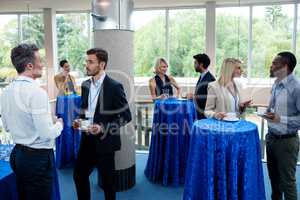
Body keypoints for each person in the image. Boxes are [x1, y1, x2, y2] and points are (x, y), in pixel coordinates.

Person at [0, 43, 63, 200]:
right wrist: (59, 124)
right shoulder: (37, 93)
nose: (42, 65)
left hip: (17, 156)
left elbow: (7, 127)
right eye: (40, 60)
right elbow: (46, 134)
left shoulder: (6, 92)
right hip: (38, 159)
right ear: (29, 65)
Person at [73, 48, 132, 200]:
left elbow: (126, 116)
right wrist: (80, 120)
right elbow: (85, 108)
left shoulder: (114, 86)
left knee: (108, 184)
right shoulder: (85, 85)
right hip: (87, 140)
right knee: (79, 176)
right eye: (86, 61)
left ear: (102, 64)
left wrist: (102, 127)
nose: (86, 65)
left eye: (90, 62)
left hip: (105, 141)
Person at [264, 52, 300, 200]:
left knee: (288, 184)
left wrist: (280, 118)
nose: (271, 66)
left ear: (285, 67)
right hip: (271, 138)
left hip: (287, 142)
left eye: (274, 63)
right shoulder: (276, 83)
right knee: (274, 182)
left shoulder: (297, 87)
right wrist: (269, 112)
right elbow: (275, 108)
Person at [186, 53, 216, 119]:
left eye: (195, 63)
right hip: (199, 113)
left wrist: (194, 97)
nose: (194, 65)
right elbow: (203, 93)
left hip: (205, 116)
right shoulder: (202, 76)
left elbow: (210, 99)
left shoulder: (210, 79)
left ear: (201, 64)